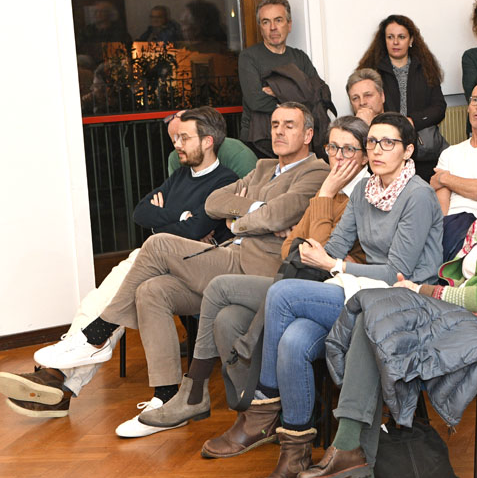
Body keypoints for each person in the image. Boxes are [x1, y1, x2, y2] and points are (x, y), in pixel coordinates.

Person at [6, 103, 328, 436]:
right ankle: (167, 396)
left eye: (289, 125)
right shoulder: (262, 167)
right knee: (151, 291)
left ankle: (98, 334)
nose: (278, 131)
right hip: (229, 257)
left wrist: (240, 219)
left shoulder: (315, 172)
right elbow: (215, 204)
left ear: (308, 134)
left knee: (158, 244)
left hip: (257, 269)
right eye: (275, 124)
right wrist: (253, 215)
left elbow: (278, 215)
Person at [293, 132, 477, 478]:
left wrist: (422, 292)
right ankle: (354, 467)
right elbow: (456, 281)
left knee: (376, 314)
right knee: (373, 317)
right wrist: (425, 294)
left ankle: (355, 470)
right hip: (455, 322)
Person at [198, 113, 442, 478]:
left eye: (388, 143)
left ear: (408, 150)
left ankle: (263, 405)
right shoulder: (364, 191)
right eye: (373, 143)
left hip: (402, 300)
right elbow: (327, 248)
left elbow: (397, 271)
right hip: (355, 290)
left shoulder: (418, 195)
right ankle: (293, 456)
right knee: (294, 341)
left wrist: (334, 265)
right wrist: (325, 203)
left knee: (282, 294)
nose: (377, 151)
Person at [132, 116, 372, 439]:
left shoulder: (340, 188)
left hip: (325, 286)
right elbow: (289, 243)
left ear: (365, 155)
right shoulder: (270, 169)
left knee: (174, 256)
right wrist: (255, 218)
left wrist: (321, 198)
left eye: (348, 149)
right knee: (222, 318)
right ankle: (254, 414)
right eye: (334, 148)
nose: (338, 157)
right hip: (293, 277)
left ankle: (199, 392)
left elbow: (321, 252)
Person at [0, 107, 239, 419]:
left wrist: (166, 221)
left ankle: (68, 366)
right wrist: (177, 218)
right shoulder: (180, 175)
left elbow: (194, 231)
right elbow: (141, 212)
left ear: (208, 141)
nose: (176, 144)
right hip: (160, 264)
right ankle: (65, 383)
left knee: (137, 262)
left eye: (184, 138)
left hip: (196, 267)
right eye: (176, 138)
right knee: (104, 296)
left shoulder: (226, 181)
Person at [357, 14, 446, 180]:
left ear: (411, 40)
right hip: (386, 148)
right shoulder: (371, 70)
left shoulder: (425, 67)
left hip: (422, 151)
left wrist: (412, 121)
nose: (395, 42)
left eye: (401, 37)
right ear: (384, 41)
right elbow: (365, 107)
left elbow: (439, 108)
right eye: (390, 37)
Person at [432, 80, 477, 262]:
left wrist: (445, 178)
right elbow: (443, 209)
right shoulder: (450, 153)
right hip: (450, 231)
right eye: (475, 100)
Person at [238, 0, 319, 157]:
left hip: (297, 142)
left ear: (289, 25)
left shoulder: (300, 57)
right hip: (258, 143)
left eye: (279, 20)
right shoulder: (249, 57)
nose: (273, 27)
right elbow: (256, 100)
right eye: (266, 22)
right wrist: (297, 92)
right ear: (260, 27)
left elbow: (316, 93)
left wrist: (277, 91)